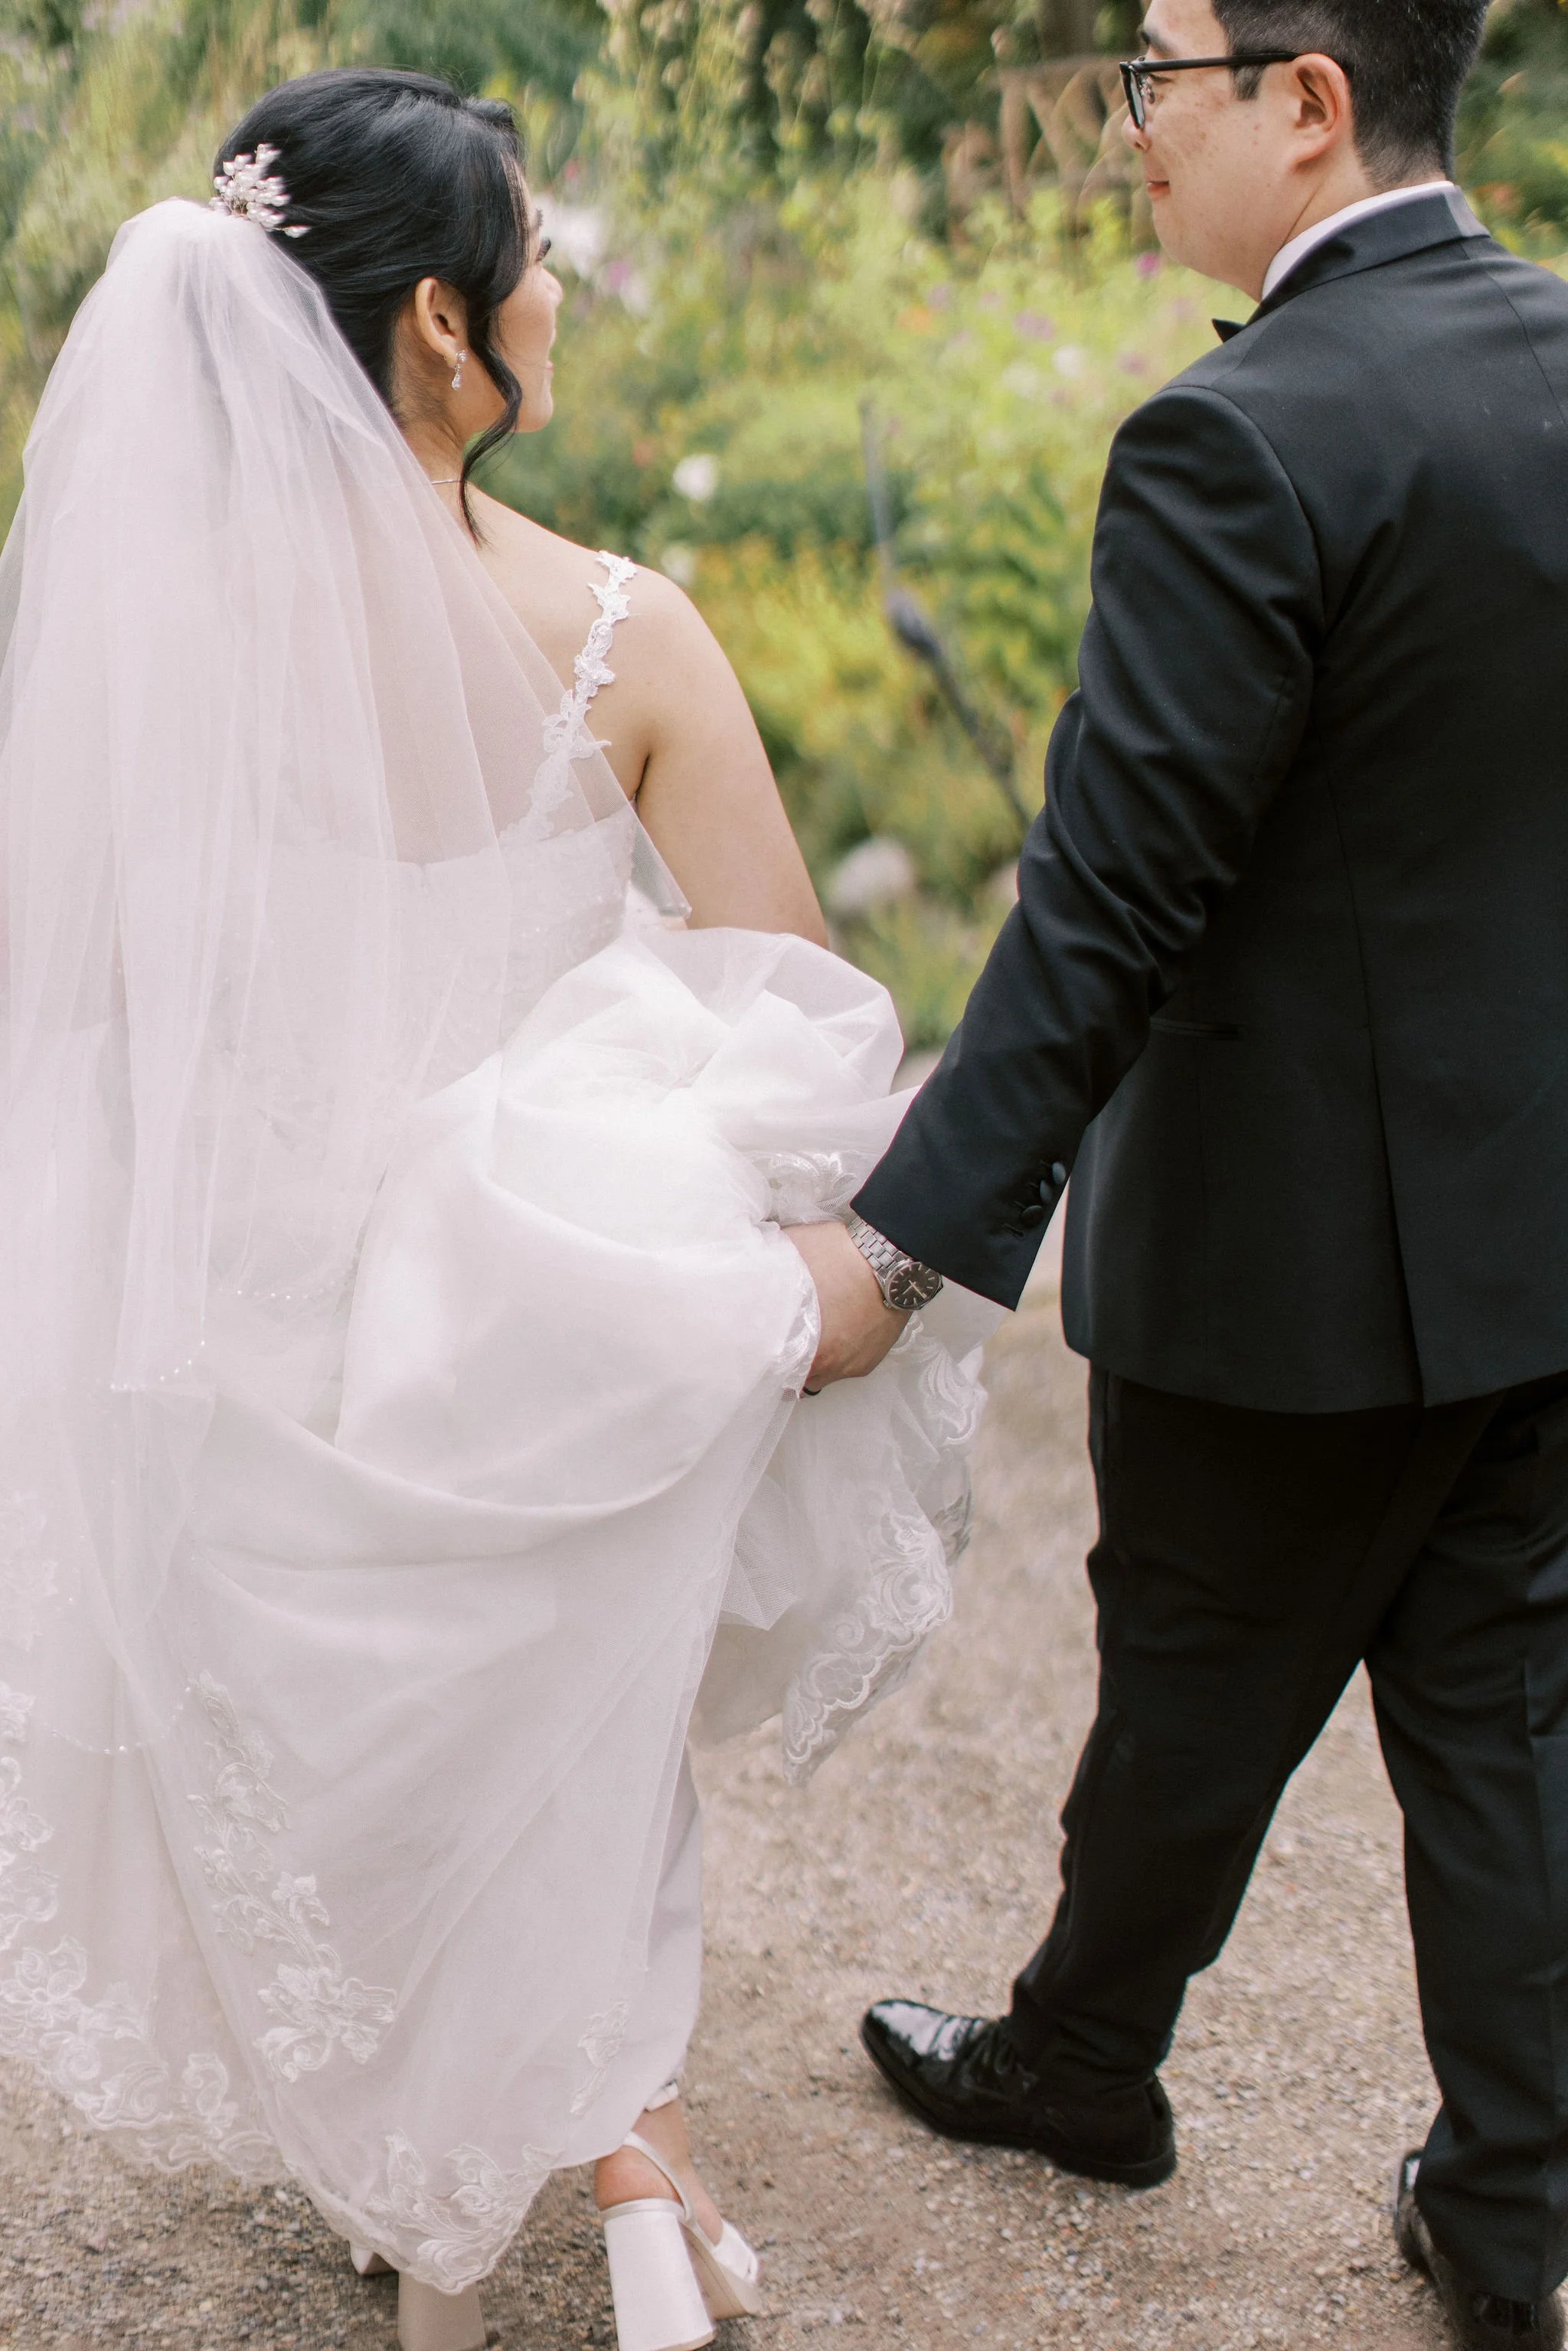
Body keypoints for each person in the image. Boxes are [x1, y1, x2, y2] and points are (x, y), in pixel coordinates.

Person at [0, 68, 992, 2351]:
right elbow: (811, 1014)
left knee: (362, 1743)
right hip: (526, 1314)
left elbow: (80, 1004)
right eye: (533, 258)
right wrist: (622, 1077)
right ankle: (621, 2175)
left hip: (248, 1324)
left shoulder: (154, 647)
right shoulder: (623, 635)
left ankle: (468, 2193)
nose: (564, 287)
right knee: (570, 1689)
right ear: (445, 334)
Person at [805, 4, 1568, 2346]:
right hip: (1543, 1219)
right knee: (1507, 1711)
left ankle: (1081, 2063)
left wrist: (905, 1241)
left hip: (1291, 1260)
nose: (1127, 131)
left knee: (1195, 1678)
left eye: (1157, 80)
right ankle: (1525, 2218)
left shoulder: (1239, 437)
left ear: (1304, 100)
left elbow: (1108, 899)